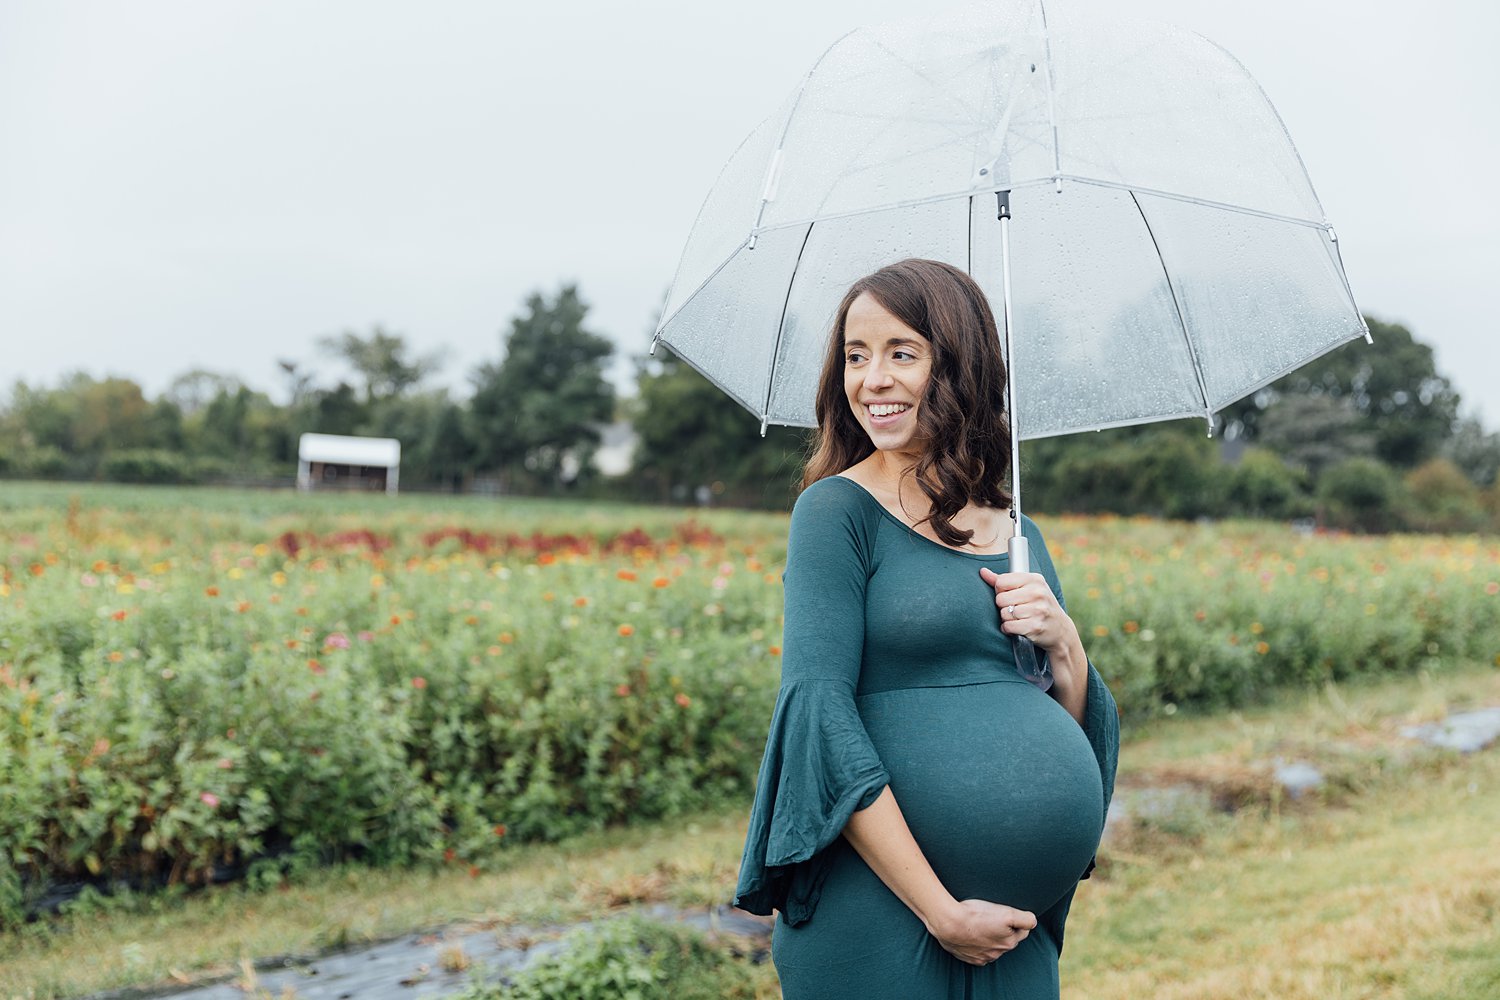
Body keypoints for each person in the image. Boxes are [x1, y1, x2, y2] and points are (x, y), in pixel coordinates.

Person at [733, 259, 1119, 999]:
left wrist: (1064, 644)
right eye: (855, 355)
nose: (870, 379)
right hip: (884, 916)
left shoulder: (1017, 533)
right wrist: (940, 911)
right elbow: (818, 715)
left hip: (1013, 930)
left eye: (900, 353)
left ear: (959, 369)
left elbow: (1059, 722)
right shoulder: (836, 513)